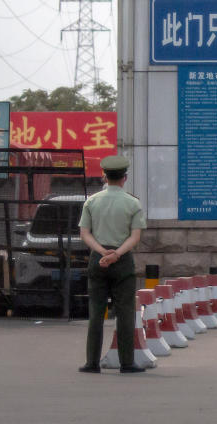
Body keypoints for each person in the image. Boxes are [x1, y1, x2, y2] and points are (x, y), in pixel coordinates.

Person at [78, 155, 147, 373]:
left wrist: (101, 252)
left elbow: (84, 234)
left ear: (104, 177)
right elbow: (135, 237)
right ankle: (127, 363)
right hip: (122, 260)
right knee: (125, 313)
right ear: (124, 178)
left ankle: (92, 362)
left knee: (96, 312)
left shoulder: (92, 202)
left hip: (98, 260)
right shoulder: (133, 203)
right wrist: (116, 254)